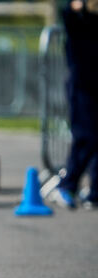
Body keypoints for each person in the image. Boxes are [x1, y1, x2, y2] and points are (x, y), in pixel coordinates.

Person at [50, 0, 98, 209]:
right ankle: (67, 185)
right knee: (87, 137)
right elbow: (69, 11)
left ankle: (95, 192)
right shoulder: (77, 17)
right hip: (81, 85)